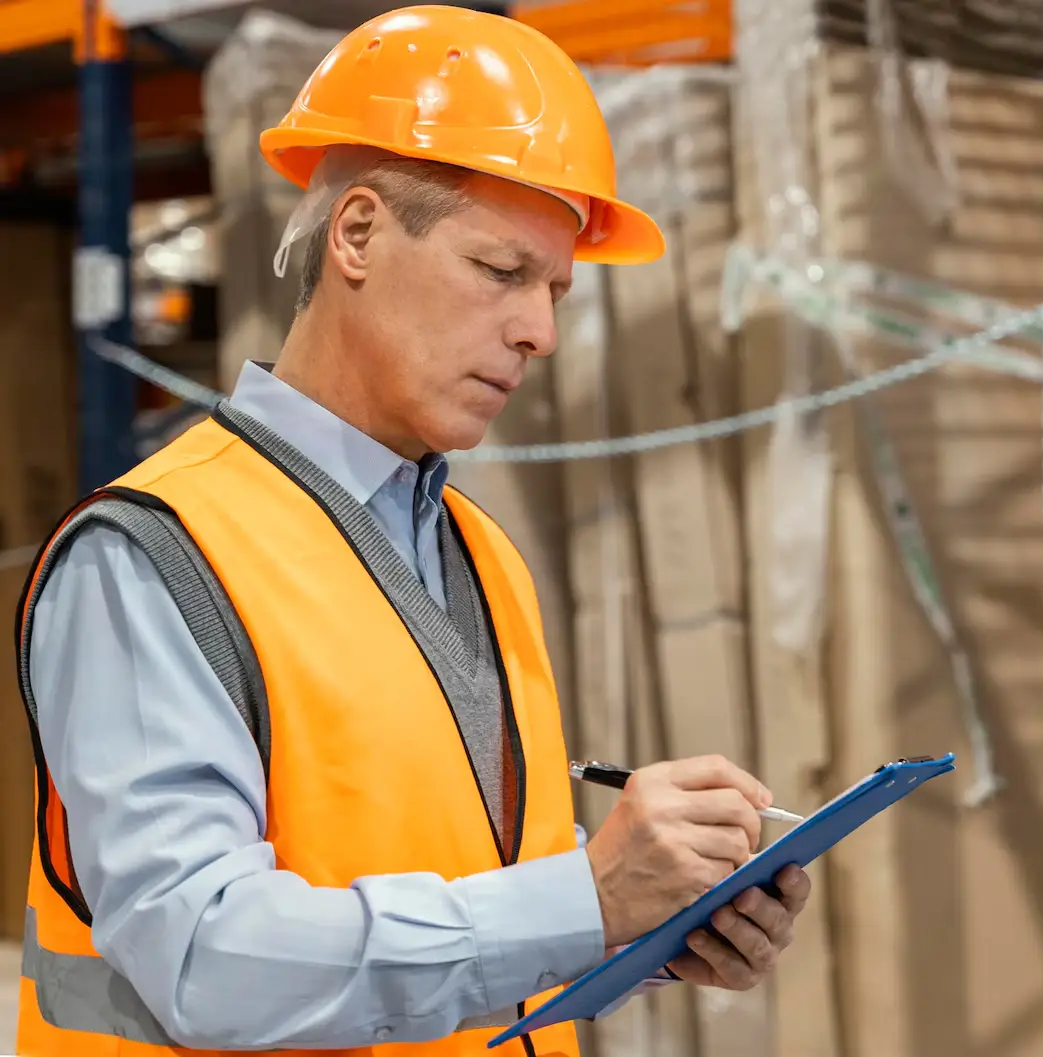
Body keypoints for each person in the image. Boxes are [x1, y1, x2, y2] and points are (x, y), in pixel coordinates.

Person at [13, 8, 810, 1057]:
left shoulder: (481, 552)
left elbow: (443, 861)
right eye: (503, 271)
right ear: (356, 234)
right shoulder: (157, 554)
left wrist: (650, 917)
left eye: (557, 290)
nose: (542, 331)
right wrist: (585, 895)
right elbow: (204, 956)